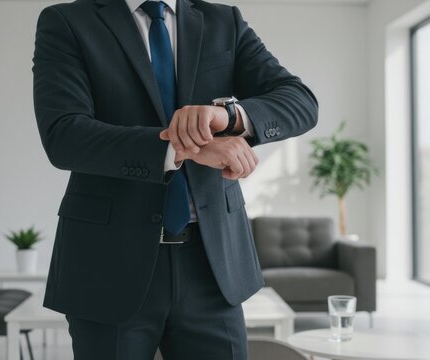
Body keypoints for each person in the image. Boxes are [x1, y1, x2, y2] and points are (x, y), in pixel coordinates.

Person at [32, 0, 318, 358]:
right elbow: (65, 136)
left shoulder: (222, 19)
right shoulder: (68, 21)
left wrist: (227, 116)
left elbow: (300, 101)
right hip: (109, 263)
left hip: (213, 266)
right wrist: (188, 148)